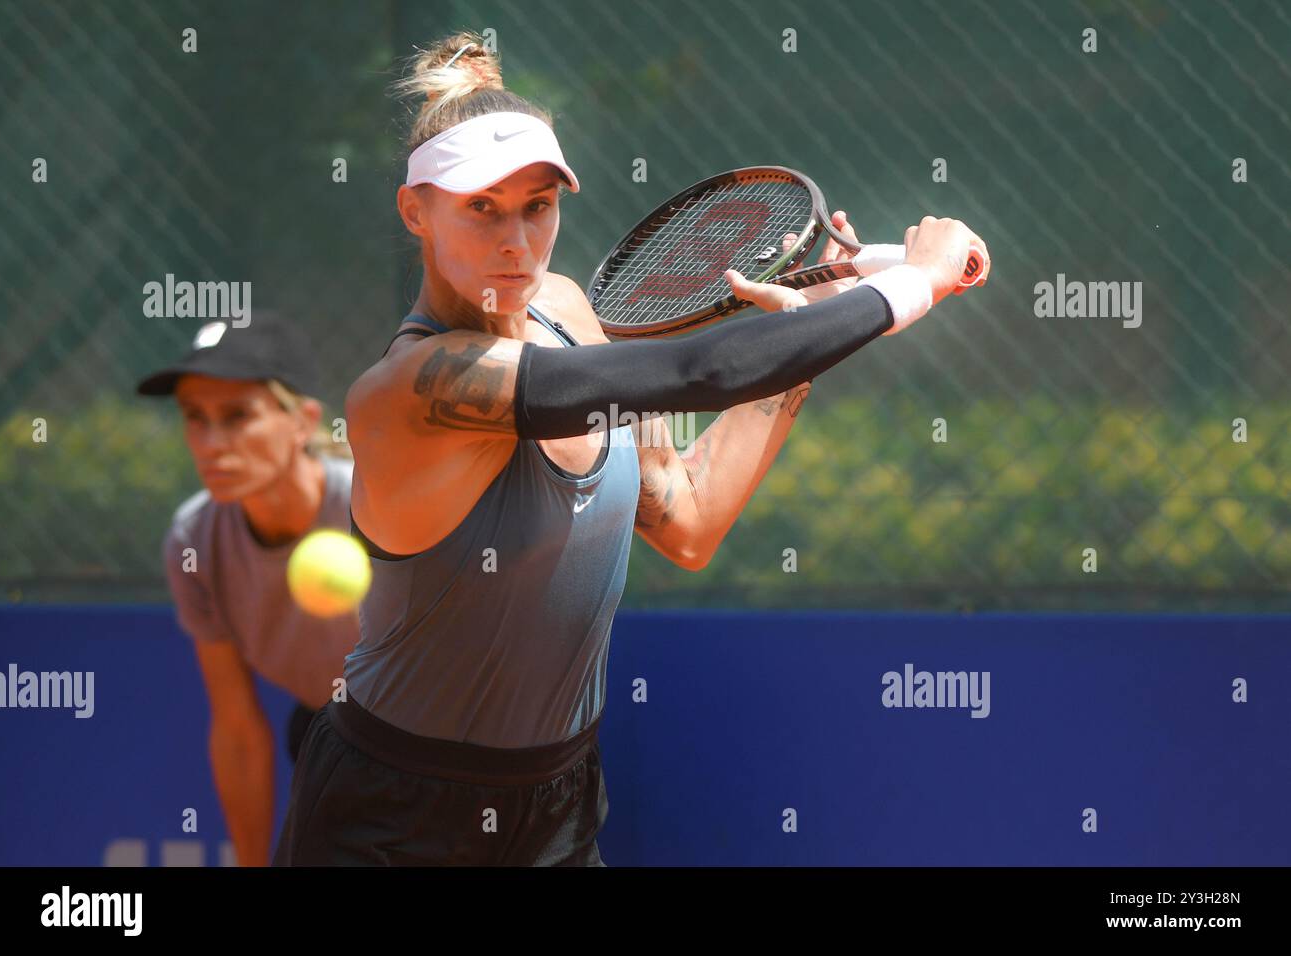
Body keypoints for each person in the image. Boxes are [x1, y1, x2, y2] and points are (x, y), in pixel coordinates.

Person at [273, 32, 990, 866]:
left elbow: (686, 521)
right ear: (414, 213)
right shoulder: (412, 391)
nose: (516, 241)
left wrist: (806, 331)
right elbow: (700, 368)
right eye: (481, 208)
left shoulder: (571, 314)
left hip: (560, 806)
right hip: (391, 816)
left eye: (537, 206)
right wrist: (910, 284)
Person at [136, 314, 360, 867]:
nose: (212, 444)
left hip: (449, 744)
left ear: (302, 423)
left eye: (238, 416)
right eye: (195, 418)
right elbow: (237, 728)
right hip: (328, 736)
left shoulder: (375, 505)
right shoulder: (194, 543)